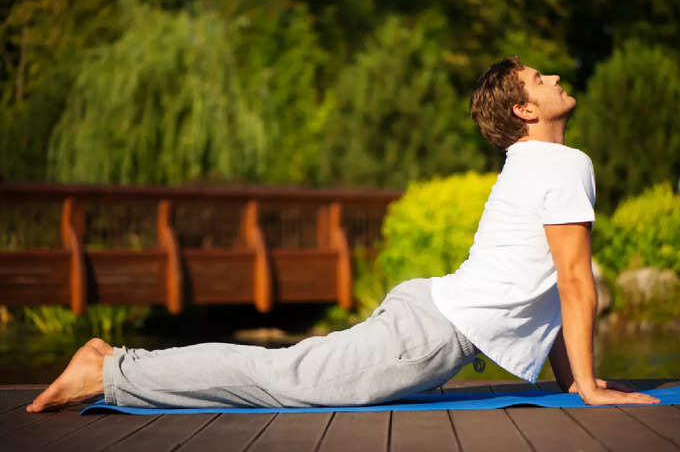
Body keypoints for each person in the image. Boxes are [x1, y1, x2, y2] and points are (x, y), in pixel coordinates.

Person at [26, 57, 660, 413]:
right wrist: (593, 390)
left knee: (284, 371)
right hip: (430, 333)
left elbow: (550, 285)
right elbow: (573, 283)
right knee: (280, 380)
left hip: (429, 318)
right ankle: (111, 371)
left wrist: (574, 382)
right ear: (526, 110)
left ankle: (112, 367)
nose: (552, 77)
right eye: (538, 79)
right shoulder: (562, 162)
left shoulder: (536, 164)